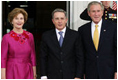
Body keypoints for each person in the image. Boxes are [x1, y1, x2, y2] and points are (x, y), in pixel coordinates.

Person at [40, 8, 84, 79]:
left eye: (62, 18)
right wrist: (43, 75)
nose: (59, 21)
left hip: (71, 75)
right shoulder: (46, 36)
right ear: (53, 21)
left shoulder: (75, 35)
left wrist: (78, 76)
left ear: (66, 20)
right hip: (52, 75)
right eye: (57, 19)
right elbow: (43, 57)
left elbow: (80, 57)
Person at [78, 1, 117, 79]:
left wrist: (117, 70)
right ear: (89, 13)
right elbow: (81, 53)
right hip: (90, 72)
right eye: (93, 11)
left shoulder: (113, 27)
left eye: (98, 11)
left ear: (102, 12)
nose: (96, 14)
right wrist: (81, 73)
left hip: (109, 71)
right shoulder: (82, 30)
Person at [1, 8, 36, 79]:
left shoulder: (30, 36)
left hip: (27, 71)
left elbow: (33, 56)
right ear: (11, 21)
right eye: (16, 18)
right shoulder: (6, 37)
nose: (19, 21)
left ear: (24, 20)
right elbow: (3, 59)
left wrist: (34, 74)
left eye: (21, 18)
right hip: (12, 70)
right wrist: (3, 77)